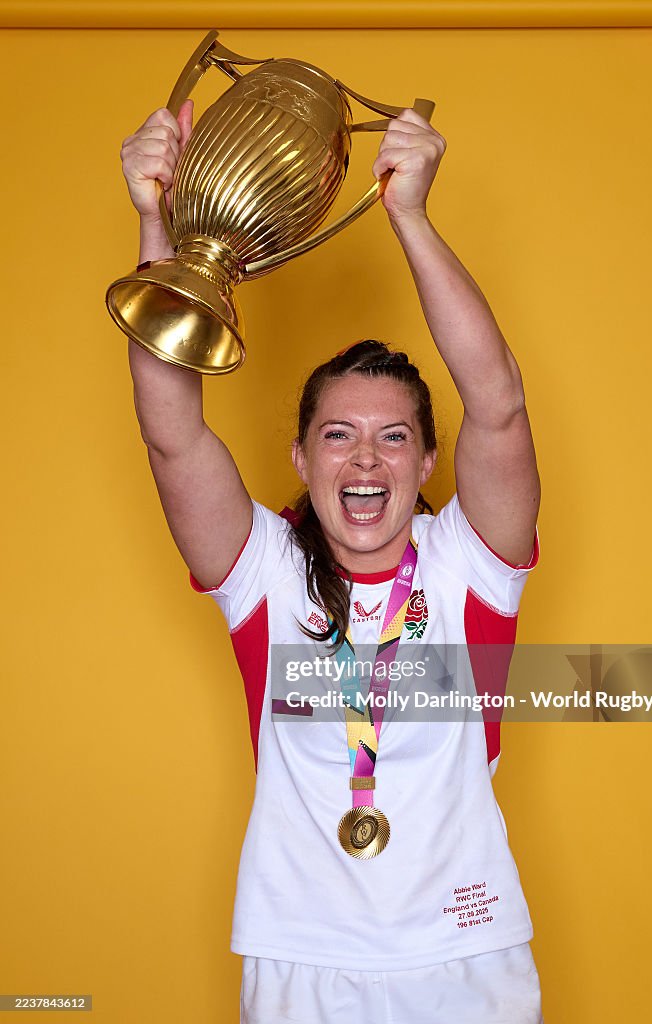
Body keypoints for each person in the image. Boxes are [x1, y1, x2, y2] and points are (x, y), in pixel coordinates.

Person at [120, 96, 543, 1023]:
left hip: (467, 954)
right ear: (302, 460)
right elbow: (173, 438)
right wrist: (162, 222)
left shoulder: (469, 564)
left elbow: (499, 403)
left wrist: (410, 215)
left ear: (429, 461)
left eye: (393, 438)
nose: (364, 460)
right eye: (338, 435)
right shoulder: (263, 571)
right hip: (297, 959)